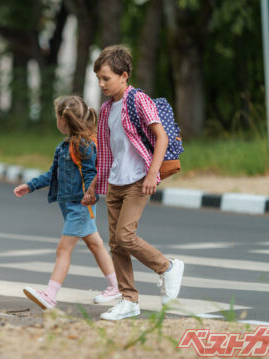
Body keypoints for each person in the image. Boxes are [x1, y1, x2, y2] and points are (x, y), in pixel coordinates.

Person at [82, 45, 184, 321]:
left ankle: (167, 266)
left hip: (139, 179)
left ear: (124, 75)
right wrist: (94, 186)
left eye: (107, 78)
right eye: (99, 79)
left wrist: (153, 173)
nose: (102, 84)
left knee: (126, 236)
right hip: (115, 182)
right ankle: (129, 300)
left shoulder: (138, 100)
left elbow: (160, 137)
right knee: (116, 244)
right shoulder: (105, 110)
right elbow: (106, 153)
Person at [14, 95, 121, 310]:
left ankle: (50, 295)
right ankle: (117, 287)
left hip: (80, 207)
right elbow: (52, 175)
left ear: (64, 120)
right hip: (73, 206)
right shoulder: (63, 147)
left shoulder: (84, 146)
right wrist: (31, 186)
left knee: (63, 250)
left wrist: (89, 196)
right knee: (96, 245)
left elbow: (94, 173)